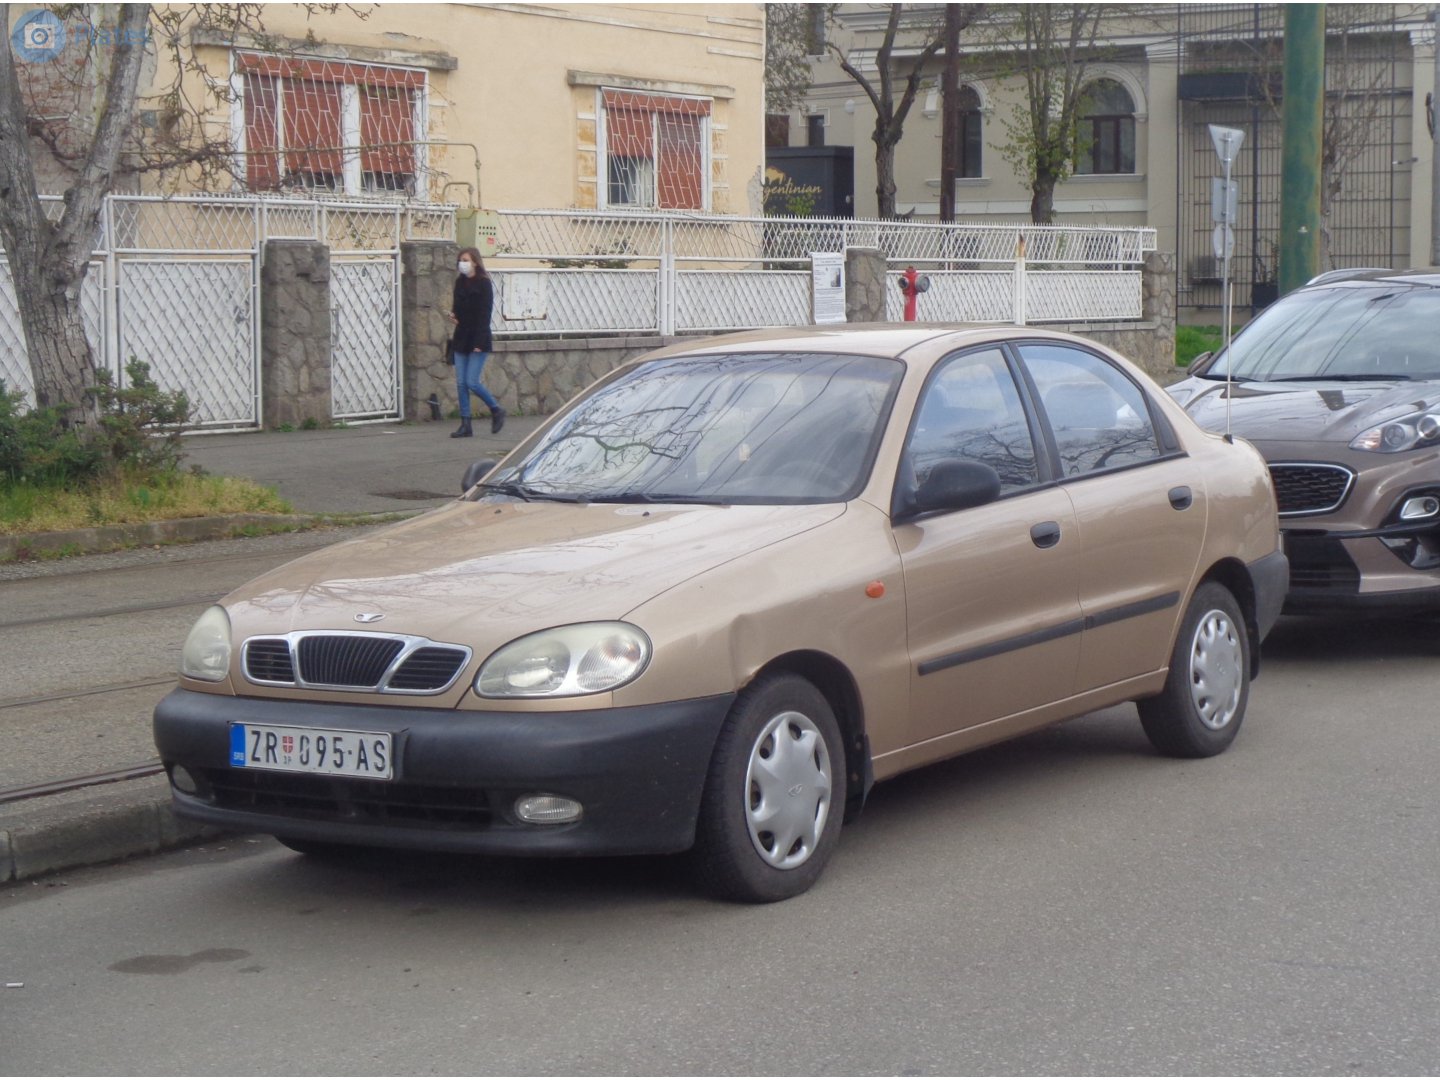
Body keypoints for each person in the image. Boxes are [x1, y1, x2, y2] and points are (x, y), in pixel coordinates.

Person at [447, 247, 506, 437]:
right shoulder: (460, 282)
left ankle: (496, 409)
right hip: (461, 336)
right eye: (460, 260)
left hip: (478, 337)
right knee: (461, 383)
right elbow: (457, 309)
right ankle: (466, 424)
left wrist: (479, 342)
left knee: (471, 381)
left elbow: (484, 315)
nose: (462, 263)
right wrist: (454, 316)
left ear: (475, 262)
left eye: (465, 260)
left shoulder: (484, 284)